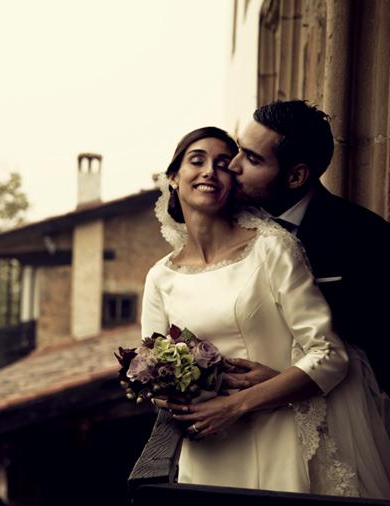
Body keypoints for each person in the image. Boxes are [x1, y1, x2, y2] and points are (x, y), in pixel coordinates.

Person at [145, 126, 390, 498]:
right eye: (197, 160)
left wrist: (235, 404)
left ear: (234, 182)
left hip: (277, 440)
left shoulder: (272, 249)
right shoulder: (160, 277)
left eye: (223, 163)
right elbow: (151, 380)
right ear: (174, 178)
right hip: (205, 449)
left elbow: (330, 355)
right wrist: (188, 395)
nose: (210, 170)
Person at [225, 100, 390, 394]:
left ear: (295, 177)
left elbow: (379, 350)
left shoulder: (367, 238)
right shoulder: (228, 221)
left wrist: (285, 383)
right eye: (239, 149)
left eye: (252, 159)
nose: (232, 165)